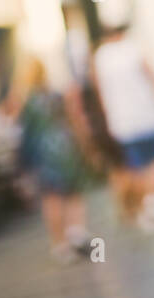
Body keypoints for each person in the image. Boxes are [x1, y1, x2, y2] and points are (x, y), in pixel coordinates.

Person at [90, 24, 154, 233]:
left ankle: (148, 207)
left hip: (122, 123)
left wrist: (108, 119)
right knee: (153, 165)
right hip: (148, 117)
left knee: (137, 167)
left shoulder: (100, 57)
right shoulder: (133, 49)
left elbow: (100, 94)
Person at [8, 56, 94, 265]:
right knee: (73, 191)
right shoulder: (54, 94)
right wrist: (83, 144)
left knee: (51, 198)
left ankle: (60, 245)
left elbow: (19, 130)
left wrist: (23, 159)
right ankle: (77, 232)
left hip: (42, 152)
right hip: (64, 146)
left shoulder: (24, 100)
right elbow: (72, 118)